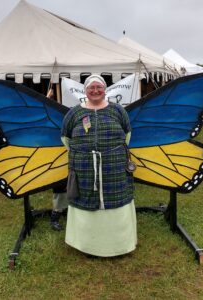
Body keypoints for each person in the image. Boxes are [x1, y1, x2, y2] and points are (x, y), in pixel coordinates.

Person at [61, 74, 137, 257]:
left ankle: (119, 245)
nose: (95, 91)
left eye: (99, 87)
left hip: (115, 166)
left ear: (105, 90)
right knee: (85, 199)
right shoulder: (74, 113)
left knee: (116, 200)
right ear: (85, 90)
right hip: (84, 166)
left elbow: (127, 135)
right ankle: (87, 245)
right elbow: (66, 138)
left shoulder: (118, 110)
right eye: (91, 88)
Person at [46, 87, 69, 231]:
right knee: (60, 190)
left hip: (72, 157)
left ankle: (69, 213)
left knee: (73, 188)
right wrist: (48, 98)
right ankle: (55, 216)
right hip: (58, 158)